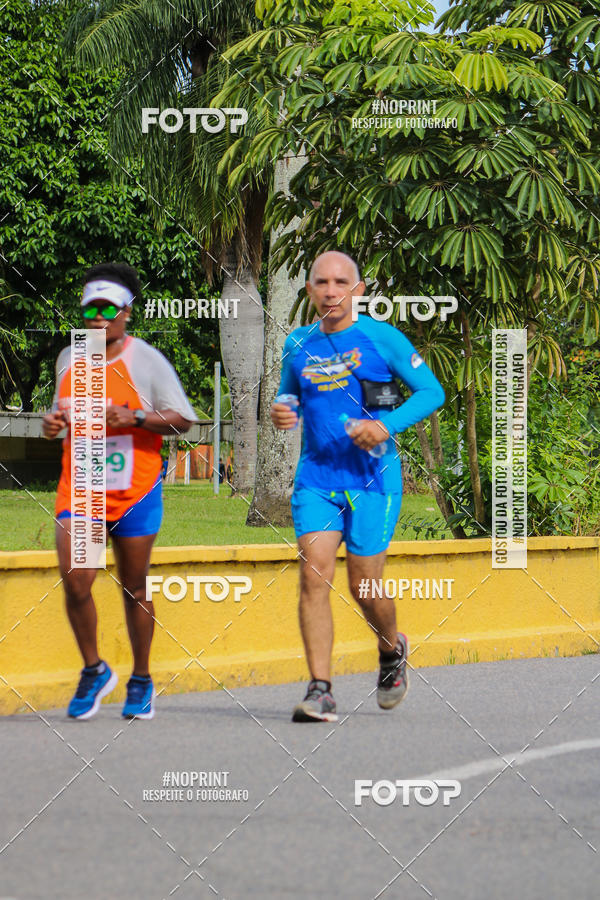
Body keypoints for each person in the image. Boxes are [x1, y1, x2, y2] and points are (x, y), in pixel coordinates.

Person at [271, 251, 445, 722]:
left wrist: (386, 427)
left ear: (358, 289)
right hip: (317, 480)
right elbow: (289, 395)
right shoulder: (297, 343)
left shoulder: (380, 337)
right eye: (322, 282)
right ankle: (320, 689)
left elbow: (432, 392)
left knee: (364, 585)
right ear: (309, 289)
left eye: (341, 282)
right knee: (314, 576)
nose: (331, 291)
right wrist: (282, 410)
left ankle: (391, 650)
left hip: (372, 481)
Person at [42, 263, 197, 720]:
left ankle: (142, 679)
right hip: (84, 486)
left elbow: (184, 420)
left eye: (108, 307)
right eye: (91, 307)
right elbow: (62, 415)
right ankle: (94, 669)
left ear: (127, 311)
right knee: (77, 581)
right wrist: (54, 424)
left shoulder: (144, 360)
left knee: (134, 587)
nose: (98, 316)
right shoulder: (72, 357)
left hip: (134, 489)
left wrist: (136, 419)